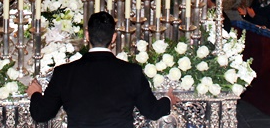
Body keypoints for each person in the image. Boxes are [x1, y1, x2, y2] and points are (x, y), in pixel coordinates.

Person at [27, 12, 177, 128]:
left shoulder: (64, 73)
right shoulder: (131, 72)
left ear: (87, 35)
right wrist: (168, 99)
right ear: (113, 38)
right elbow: (152, 111)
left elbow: (41, 114)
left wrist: (35, 93)